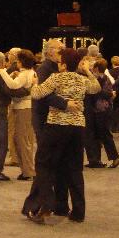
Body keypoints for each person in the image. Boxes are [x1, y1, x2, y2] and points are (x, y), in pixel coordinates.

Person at [22, 48, 100, 223]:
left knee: (43, 164)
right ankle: (78, 212)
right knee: (75, 169)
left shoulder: (56, 78)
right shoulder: (82, 79)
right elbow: (96, 88)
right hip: (78, 127)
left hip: (57, 126)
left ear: (63, 65)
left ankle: (46, 204)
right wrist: (87, 71)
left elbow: (36, 94)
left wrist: (34, 82)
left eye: (60, 62)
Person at [0, 49, 38, 181]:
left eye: (18, 61)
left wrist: (2, 72)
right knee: (21, 140)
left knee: (23, 141)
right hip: (23, 108)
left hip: (23, 109)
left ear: (21, 62)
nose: (16, 63)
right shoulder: (28, 73)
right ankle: (26, 170)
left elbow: (13, 85)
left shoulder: (25, 74)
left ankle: (29, 172)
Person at [85, 58, 119, 168]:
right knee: (100, 135)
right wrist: (110, 94)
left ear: (96, 68)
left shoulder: (97, 79)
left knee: (104, 135)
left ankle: (115, 157)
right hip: (104, 110)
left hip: (100, 111)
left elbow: (98, 92)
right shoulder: (106, 77)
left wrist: (109, 94)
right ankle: (96, 160)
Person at [109, 56, 119, 133]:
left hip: (113, 91)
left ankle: (113, 127)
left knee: (113, 108)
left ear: (112, 62)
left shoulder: (109, 72)